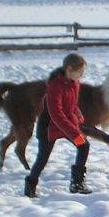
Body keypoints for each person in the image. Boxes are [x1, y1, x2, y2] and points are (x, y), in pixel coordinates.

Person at [24, 53, 94, 198]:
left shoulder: (75, 83)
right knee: (42, 159)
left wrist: (78, 113)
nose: (82, 75)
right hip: (49, 128)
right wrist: (75, 134)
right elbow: (57, 114)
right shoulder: (55, 87)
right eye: (79, 71)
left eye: (83, 72)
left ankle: (77, 184)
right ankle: (30, 185)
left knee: (84, 145)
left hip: (64, 125)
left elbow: (71, 104)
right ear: (69, 69)